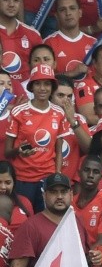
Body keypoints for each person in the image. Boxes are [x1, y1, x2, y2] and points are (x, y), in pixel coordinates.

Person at [9, 173, 88, 267]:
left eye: (63, 192)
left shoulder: (77, 223)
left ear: (71, 195)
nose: (59, 196)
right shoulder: (31, 226)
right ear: (44, 195)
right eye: (53, 192)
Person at [5, 64, 68, 211]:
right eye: (38, 83)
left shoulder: (59, 113)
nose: (42, 88)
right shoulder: (18, 112)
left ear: (52, 87)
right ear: (31, 87)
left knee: (46, 221)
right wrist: (19, 151)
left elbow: (59, 150)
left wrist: (56, 176)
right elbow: (7, 152)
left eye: (47, 84)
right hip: (22, 179)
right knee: (23, 220)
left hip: (47, 179)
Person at [70, 154, 102, 249]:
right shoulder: (70, 202)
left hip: (94, 258)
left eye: (95, 172)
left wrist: (83, 260)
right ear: (79, 173)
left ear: (101, 177)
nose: (90, 175)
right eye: (86, 170)